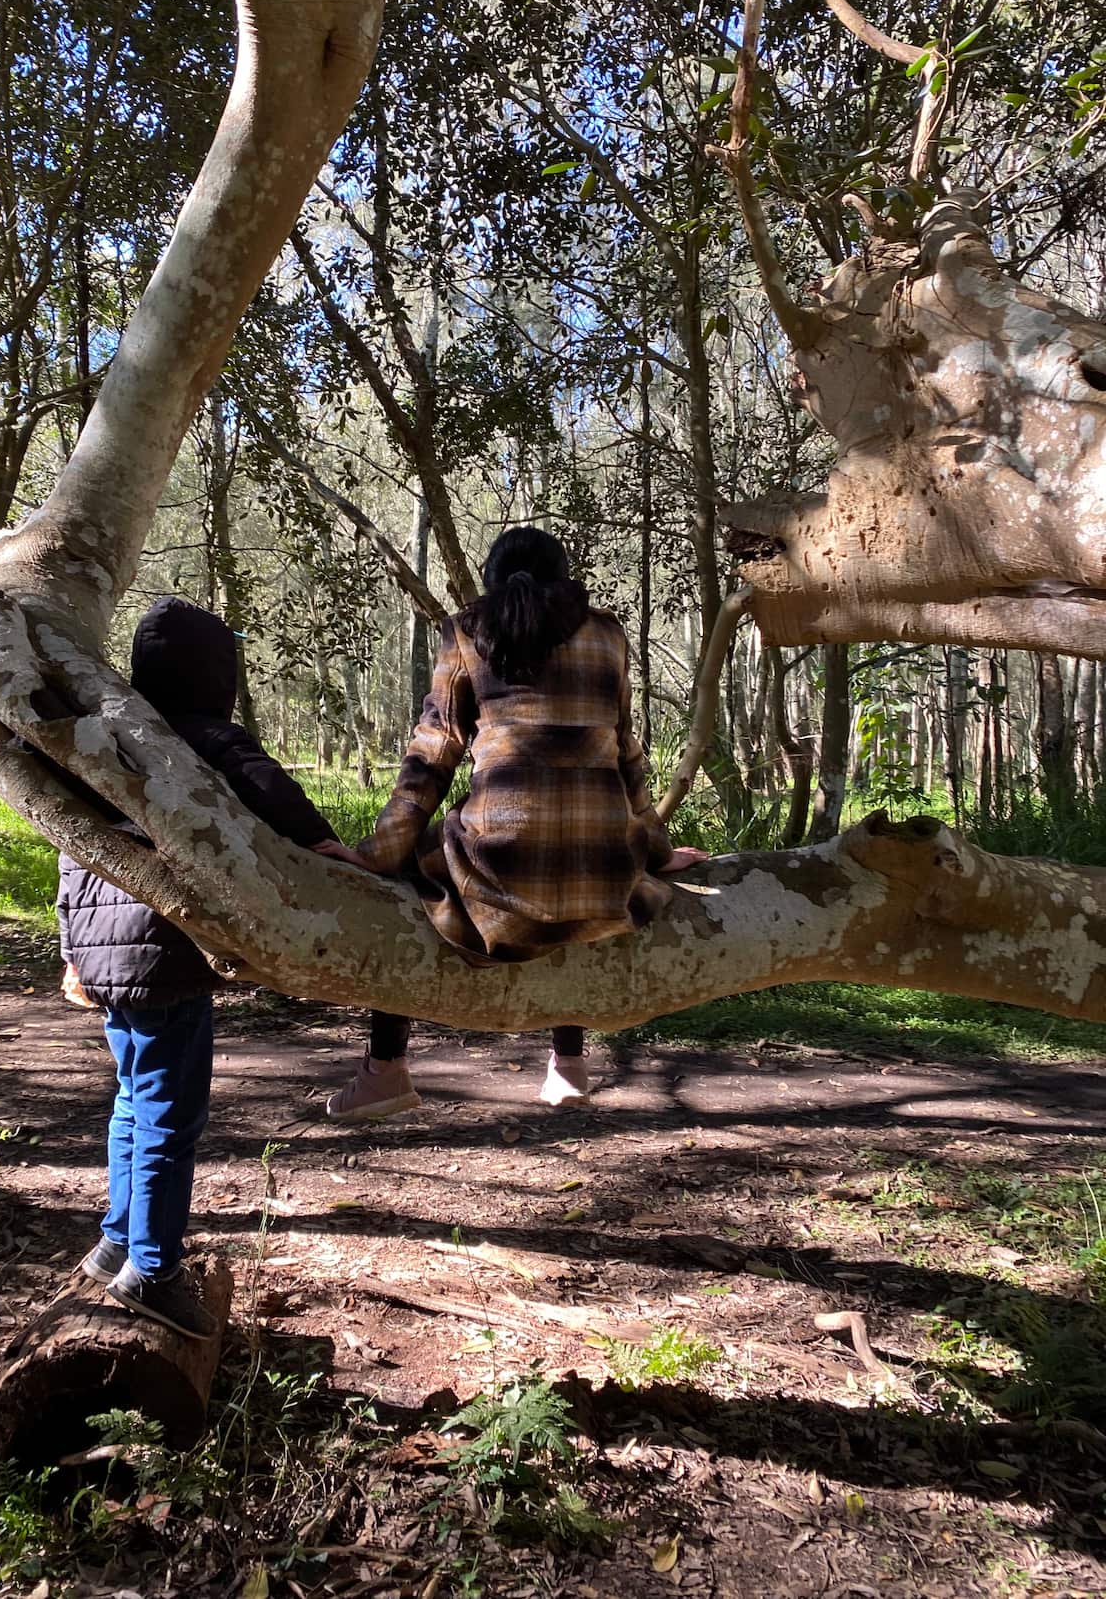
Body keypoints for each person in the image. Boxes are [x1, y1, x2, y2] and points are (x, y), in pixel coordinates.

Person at [58, 596, 367, 1339]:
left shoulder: (111, 743)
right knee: (171, 1113)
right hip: (164, 949)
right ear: (214, 676)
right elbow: (266, 785)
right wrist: (327, 845)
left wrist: (70, 946)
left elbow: (69, 843)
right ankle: (154, 1271)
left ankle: (116, 1240)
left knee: (133, 1100)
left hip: (104, 950)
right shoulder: (200, 739)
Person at [327, 527, 706, 1122]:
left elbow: (434, 752)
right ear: (563, 577)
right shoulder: (607, 635)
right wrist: (654, 852)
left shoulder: (466, 632)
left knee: (417, 873)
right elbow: (626, 753)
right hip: (602, 873)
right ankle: (568, 1067)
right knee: (570, 855)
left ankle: (384, 1070)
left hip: (500, 866)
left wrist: (381, 851)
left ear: (492, 580)